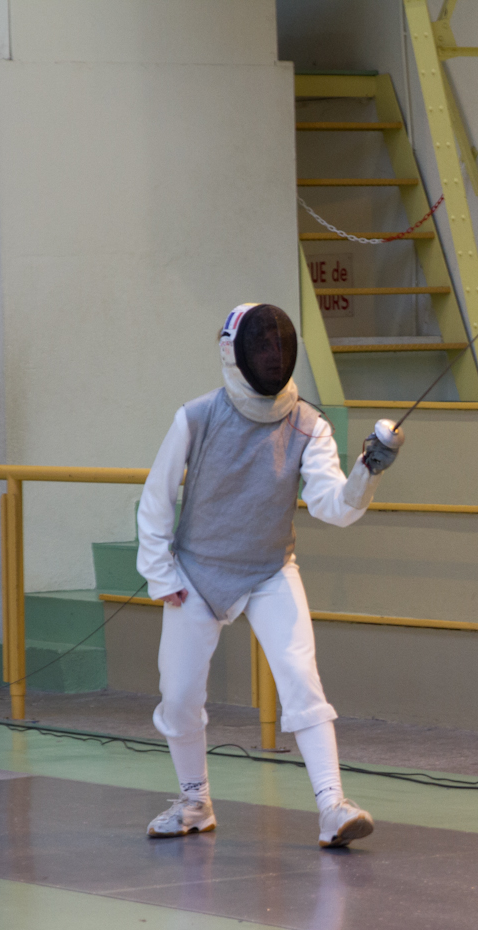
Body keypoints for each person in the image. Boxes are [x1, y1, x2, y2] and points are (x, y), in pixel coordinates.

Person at [136, 302, 400, 847]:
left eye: (280, 346)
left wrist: (367, 471)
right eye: (262, 346)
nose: (273, 356)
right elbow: (156, 499)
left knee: (301, 679)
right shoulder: (197, 416)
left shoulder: (307, 424)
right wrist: (161, 574)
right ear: (234, 352)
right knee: (178, 696)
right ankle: (194, 803)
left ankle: (332, 807)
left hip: (269, 571)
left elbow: (333, 506)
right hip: (196, 571)